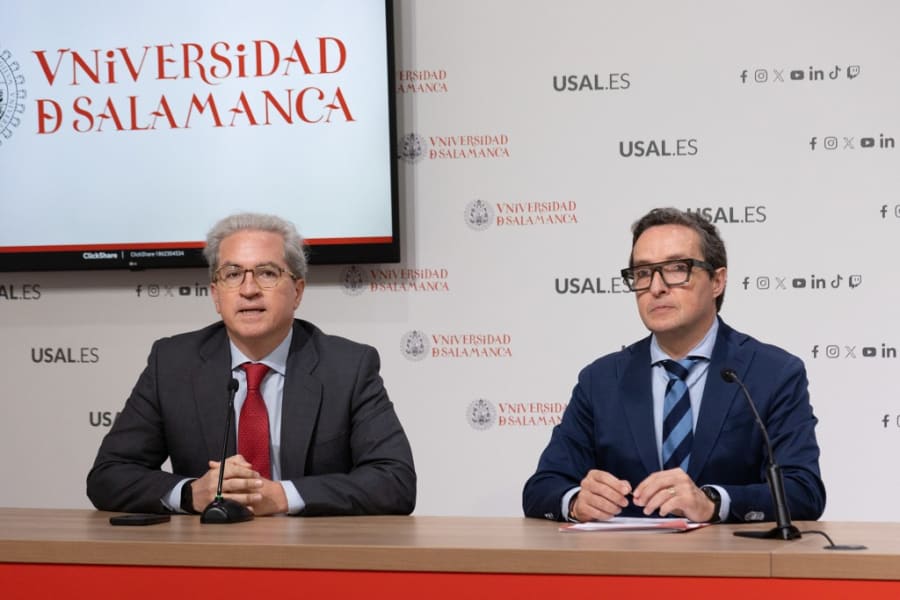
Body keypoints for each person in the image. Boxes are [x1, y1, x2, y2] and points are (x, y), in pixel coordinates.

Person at [87, 213, 416, 516]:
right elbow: (109, 475)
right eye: (232, 275)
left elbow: (395, 480)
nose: (248, 290)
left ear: (297, 291)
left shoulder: (347, 367)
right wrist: (190, 493)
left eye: (267, 273)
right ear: (216, 295)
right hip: (206, 550)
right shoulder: (173, 364)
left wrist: (283, 496)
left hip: (313, 550)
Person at [522, 207, 825, 523]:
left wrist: (712, 503)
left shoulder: (772, 373)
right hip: (626, 554)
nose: (656, 287)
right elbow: (542, 487)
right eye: (643, 273)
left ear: (717, 281)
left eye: (677, 268)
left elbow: (803, 492)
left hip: (729, 553)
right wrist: (576, 502)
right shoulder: (600, 380)